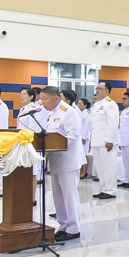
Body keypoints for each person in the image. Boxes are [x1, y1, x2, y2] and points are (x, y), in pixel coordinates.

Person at [36, 87, 83, 241]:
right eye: (41, 99)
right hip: (56, 161)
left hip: (68, 161)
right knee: (58, 196)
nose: (42, 103)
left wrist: (56, 146)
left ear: (56, 99)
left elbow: (73, 136)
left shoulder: (69, 112)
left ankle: (74, 228)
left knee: (69, 195)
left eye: (45, 99)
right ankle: (63, 226)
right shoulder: (52, 113)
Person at [91, 81, 120, 200]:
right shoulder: (97, 105)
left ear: (107, 91)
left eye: (100, 89)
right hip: (97, 140)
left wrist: (110, 140)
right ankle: (104, 189)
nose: (97, 91)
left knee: (108, 166)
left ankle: (111, 190)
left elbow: (113, 123)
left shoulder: (110, 104)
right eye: (96, 89)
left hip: (107, 141)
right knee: (100, 167)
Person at [76, 98, 92, 179]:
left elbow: (86, 126)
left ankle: (84, 172)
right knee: (80, 154)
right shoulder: (79, 113)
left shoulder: (87, 114)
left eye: (80, 104)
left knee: (85, 155)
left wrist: (83, 137)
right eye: (78, 103)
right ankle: (80, 171)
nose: (78, 105)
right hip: (79, 136)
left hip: (84, 137)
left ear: (85, 105)